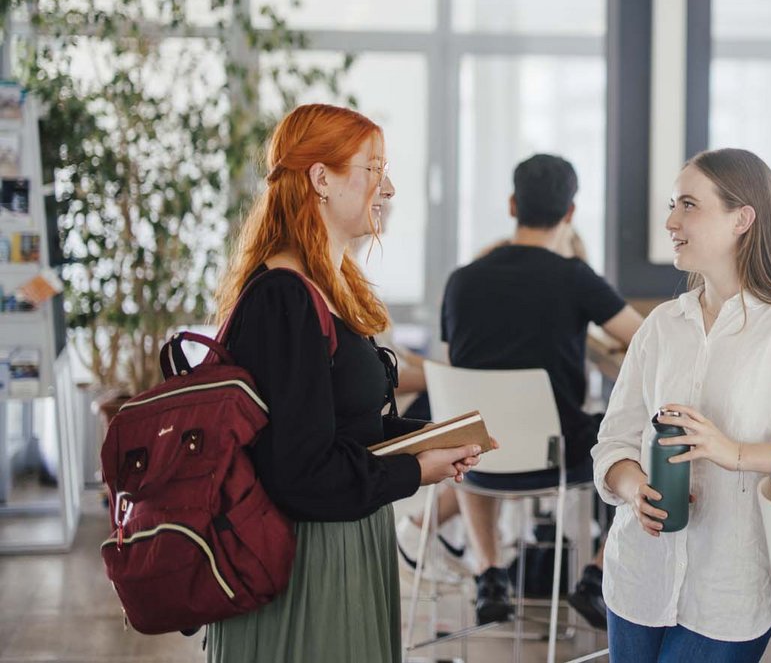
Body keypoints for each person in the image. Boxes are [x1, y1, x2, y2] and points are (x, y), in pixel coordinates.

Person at [205, 104, 484, 663]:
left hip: (343, 544)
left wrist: (426, 440)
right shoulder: (286, 298)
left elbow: (339, 427)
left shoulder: (323, 287)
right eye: (373, 169)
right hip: (306, 561)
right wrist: (415, 469)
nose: (389, 187)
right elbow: (302, 473)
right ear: (320, 178)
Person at [593, 148, 771, 662]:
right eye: (673, 204)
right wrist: (632, 486)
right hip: (639, 579)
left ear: (742, 219)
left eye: (688, 205)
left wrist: (736, 453)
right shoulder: (661, 327)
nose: (670, 220)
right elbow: (614, 442)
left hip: (727, 592)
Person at [442, 153, 643, 628]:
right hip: (557, 456)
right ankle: (596, 574)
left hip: (477, 457)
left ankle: (490, 574)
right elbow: (648, 338)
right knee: (633, 440)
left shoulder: (462, 280)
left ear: (512, 205)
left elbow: (461, 368)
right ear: (570, 213)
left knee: (474, 423)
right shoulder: (574, 277)